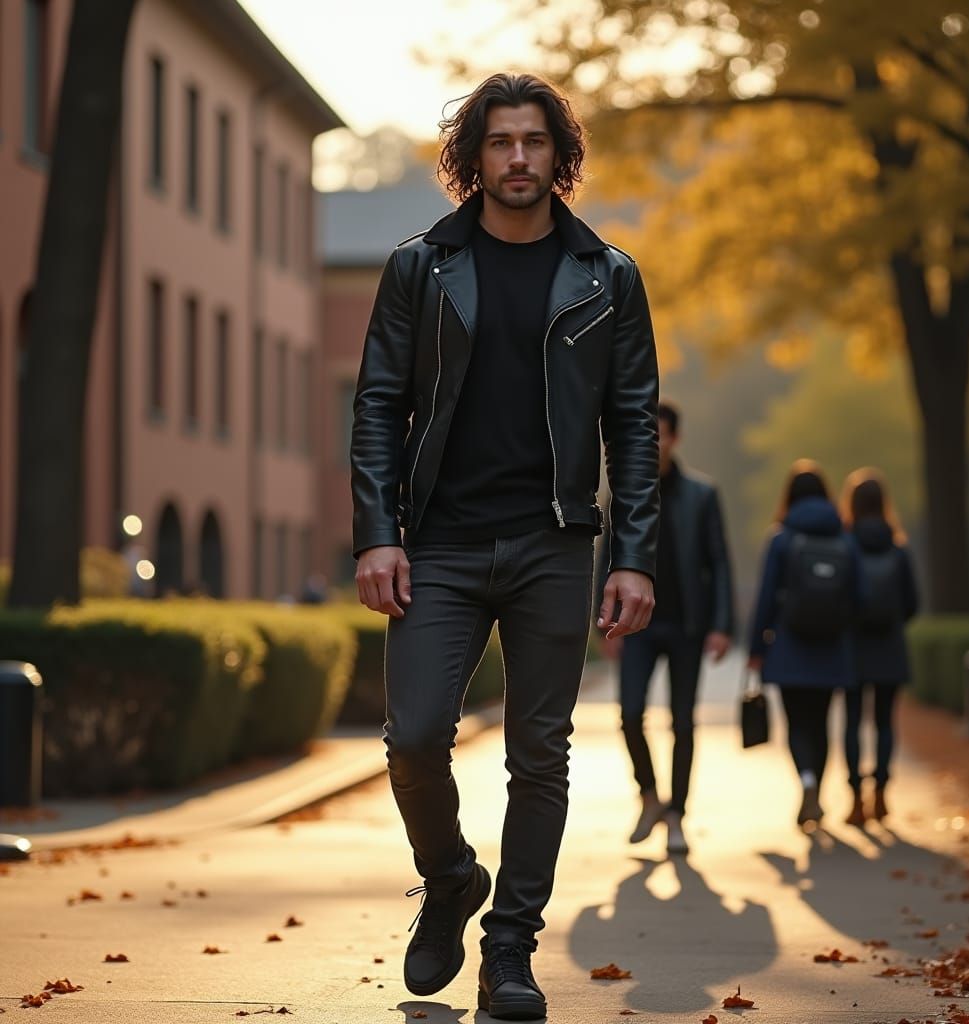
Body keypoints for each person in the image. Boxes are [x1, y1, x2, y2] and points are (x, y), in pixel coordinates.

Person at [350, 73, 660, 1021]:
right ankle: (448, 878)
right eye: (499, 142)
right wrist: (378, 535)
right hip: (437, 543)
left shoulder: (609, 277)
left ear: (558, 155)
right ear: (473, 156)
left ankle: (510, 953)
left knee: (540, 756)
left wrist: (634, 554)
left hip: (553, 543)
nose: (517, 158)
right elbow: (377, 404)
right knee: (412, 740)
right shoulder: (419, 267)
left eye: (533, 142)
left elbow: (634, 424)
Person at [599, 401, 734, 855]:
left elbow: (719, 563)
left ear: (675, 438)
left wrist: (721, 625)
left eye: (659, 436)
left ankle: (677, 815)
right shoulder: (623, 493)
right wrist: (603, 624)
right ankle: (649, 796)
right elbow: (607, 560)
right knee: (630, 715)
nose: (651, 445)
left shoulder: (702, 494)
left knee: (683, 722)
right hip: (636, 626)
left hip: (687, 626)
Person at [747, 460, 860, 829]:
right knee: (822, 722)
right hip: (831, 646)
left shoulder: (782, 538)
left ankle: (807, 784)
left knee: (796, 723)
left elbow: (765, 598)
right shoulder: (844, 538)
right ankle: (820, 793)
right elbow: (858, 595)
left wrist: (756, 649)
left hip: (790, 645)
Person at [839, 468, 919, 825]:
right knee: (885, 723)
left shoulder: (844, 545)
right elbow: (912, 603)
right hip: (889, 646)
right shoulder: (898, 549)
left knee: (852, 722)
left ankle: (855, 798)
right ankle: (882, 793)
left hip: (852, 646)